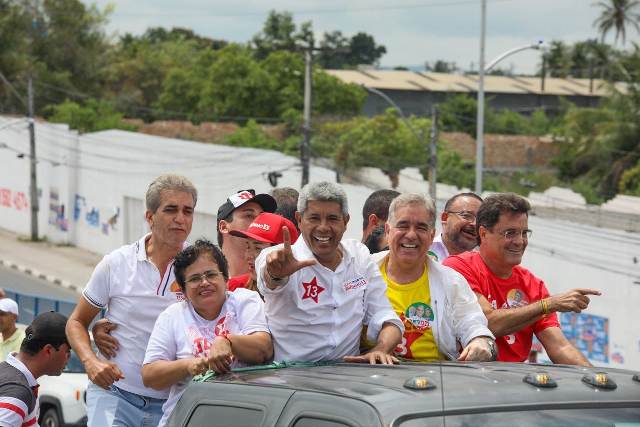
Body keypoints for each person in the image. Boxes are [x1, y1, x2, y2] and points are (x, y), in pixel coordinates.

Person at [66, 174, 197, 427]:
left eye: (187, 211)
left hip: (174, 401)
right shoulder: (116, 263)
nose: (180, 218)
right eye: (171, 210)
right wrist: (91, 362)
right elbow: (75, 322)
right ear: (150, 217)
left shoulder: (199, 268)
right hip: (113, 395)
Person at [444, 193, 601, 366]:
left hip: (515, 382)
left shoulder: (533, 284)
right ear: (483, 233)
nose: (520, 241)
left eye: (524, 233)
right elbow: (486, 324)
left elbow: (560, 347)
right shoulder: (458, 267)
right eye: (510, 233)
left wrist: (597, 378)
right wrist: (546, 305)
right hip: (466, 377)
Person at [256, 181, 404, 364]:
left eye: (332, 219)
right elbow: (269, 281)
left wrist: (381, 349)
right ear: (299, 220)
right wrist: (275, 274)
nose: (323, 227)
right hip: (290, 381)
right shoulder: (278, 257)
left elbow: (385, 316)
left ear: (346, 221)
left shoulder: (359, 256)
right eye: (314, 218)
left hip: (344, 381)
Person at [142, 239, 272, 427]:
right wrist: (188, 366)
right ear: (183, 290)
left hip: (244, 417)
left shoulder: (245, 301)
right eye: (194, 279)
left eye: (211, 274)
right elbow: (150, 376)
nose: (204, 283)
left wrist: (227, 341)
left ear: (225, 278)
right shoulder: (172, 317)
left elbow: (264, 349)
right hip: (187, 419)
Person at [372, 193, 496, 362]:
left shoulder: (452, 282)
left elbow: (474, 326)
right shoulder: (364, 271)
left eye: (421, 228)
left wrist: (480, 342)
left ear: (432, 236)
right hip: (371, 378)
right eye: (403, 225)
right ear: (387, 231)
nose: (411, 235)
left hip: (433, 383)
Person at [0, 312, 70, 427]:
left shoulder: (7, 371)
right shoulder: (17, 392)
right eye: (67, 350)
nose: (69, 357)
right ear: (48, 350)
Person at [226, 212, 299, 293]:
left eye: (257, 248)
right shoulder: (234, 287)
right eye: (248, 247)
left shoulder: (303, 294)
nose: (248, 256)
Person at [217, 189, 277, 277]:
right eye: (249, 215)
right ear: (224, 227)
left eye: (261, 216)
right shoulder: (205, 277)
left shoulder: (273, 282)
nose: (258, 222)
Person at [429, 192, 483, 262]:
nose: (475, 224)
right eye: (467, 216)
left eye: (480, 220)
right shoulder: (423, 250)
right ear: (445, 218)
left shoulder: (483, 263)